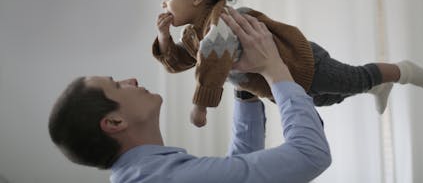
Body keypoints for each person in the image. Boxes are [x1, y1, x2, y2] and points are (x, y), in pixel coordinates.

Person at [154, 0, 423, 127]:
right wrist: (165, 38)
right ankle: (377, 87)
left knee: (353, 79)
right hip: (284, 85)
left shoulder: (222, 20)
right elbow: (179, 62)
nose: (164, 3)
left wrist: (200, 106)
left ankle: (402, 71)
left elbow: (213, 61)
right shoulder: (194, 35)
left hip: (305, 63)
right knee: (329, 99)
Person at [48, 9, 332, 183]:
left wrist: (244, 84)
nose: (131, 80)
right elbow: (310, 155)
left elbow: (241, 168)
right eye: (117, 85)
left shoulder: (149, 174)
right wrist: (274, 68)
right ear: (114, 122)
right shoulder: (168, 178)